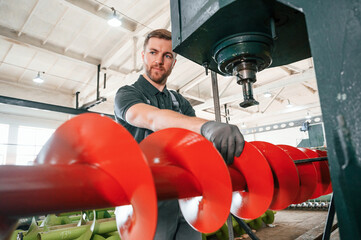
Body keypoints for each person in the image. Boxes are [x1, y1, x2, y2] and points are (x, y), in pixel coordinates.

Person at [114, 29, 245, 240]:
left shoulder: (179, 102)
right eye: (153, 52)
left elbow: (191, 143)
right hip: (145, 202)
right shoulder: (128, 94)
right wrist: (207, 126)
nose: (159, 60)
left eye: (167, 56)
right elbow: (152, 119)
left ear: (173, 63)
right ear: (143, 56)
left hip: (185, 198)